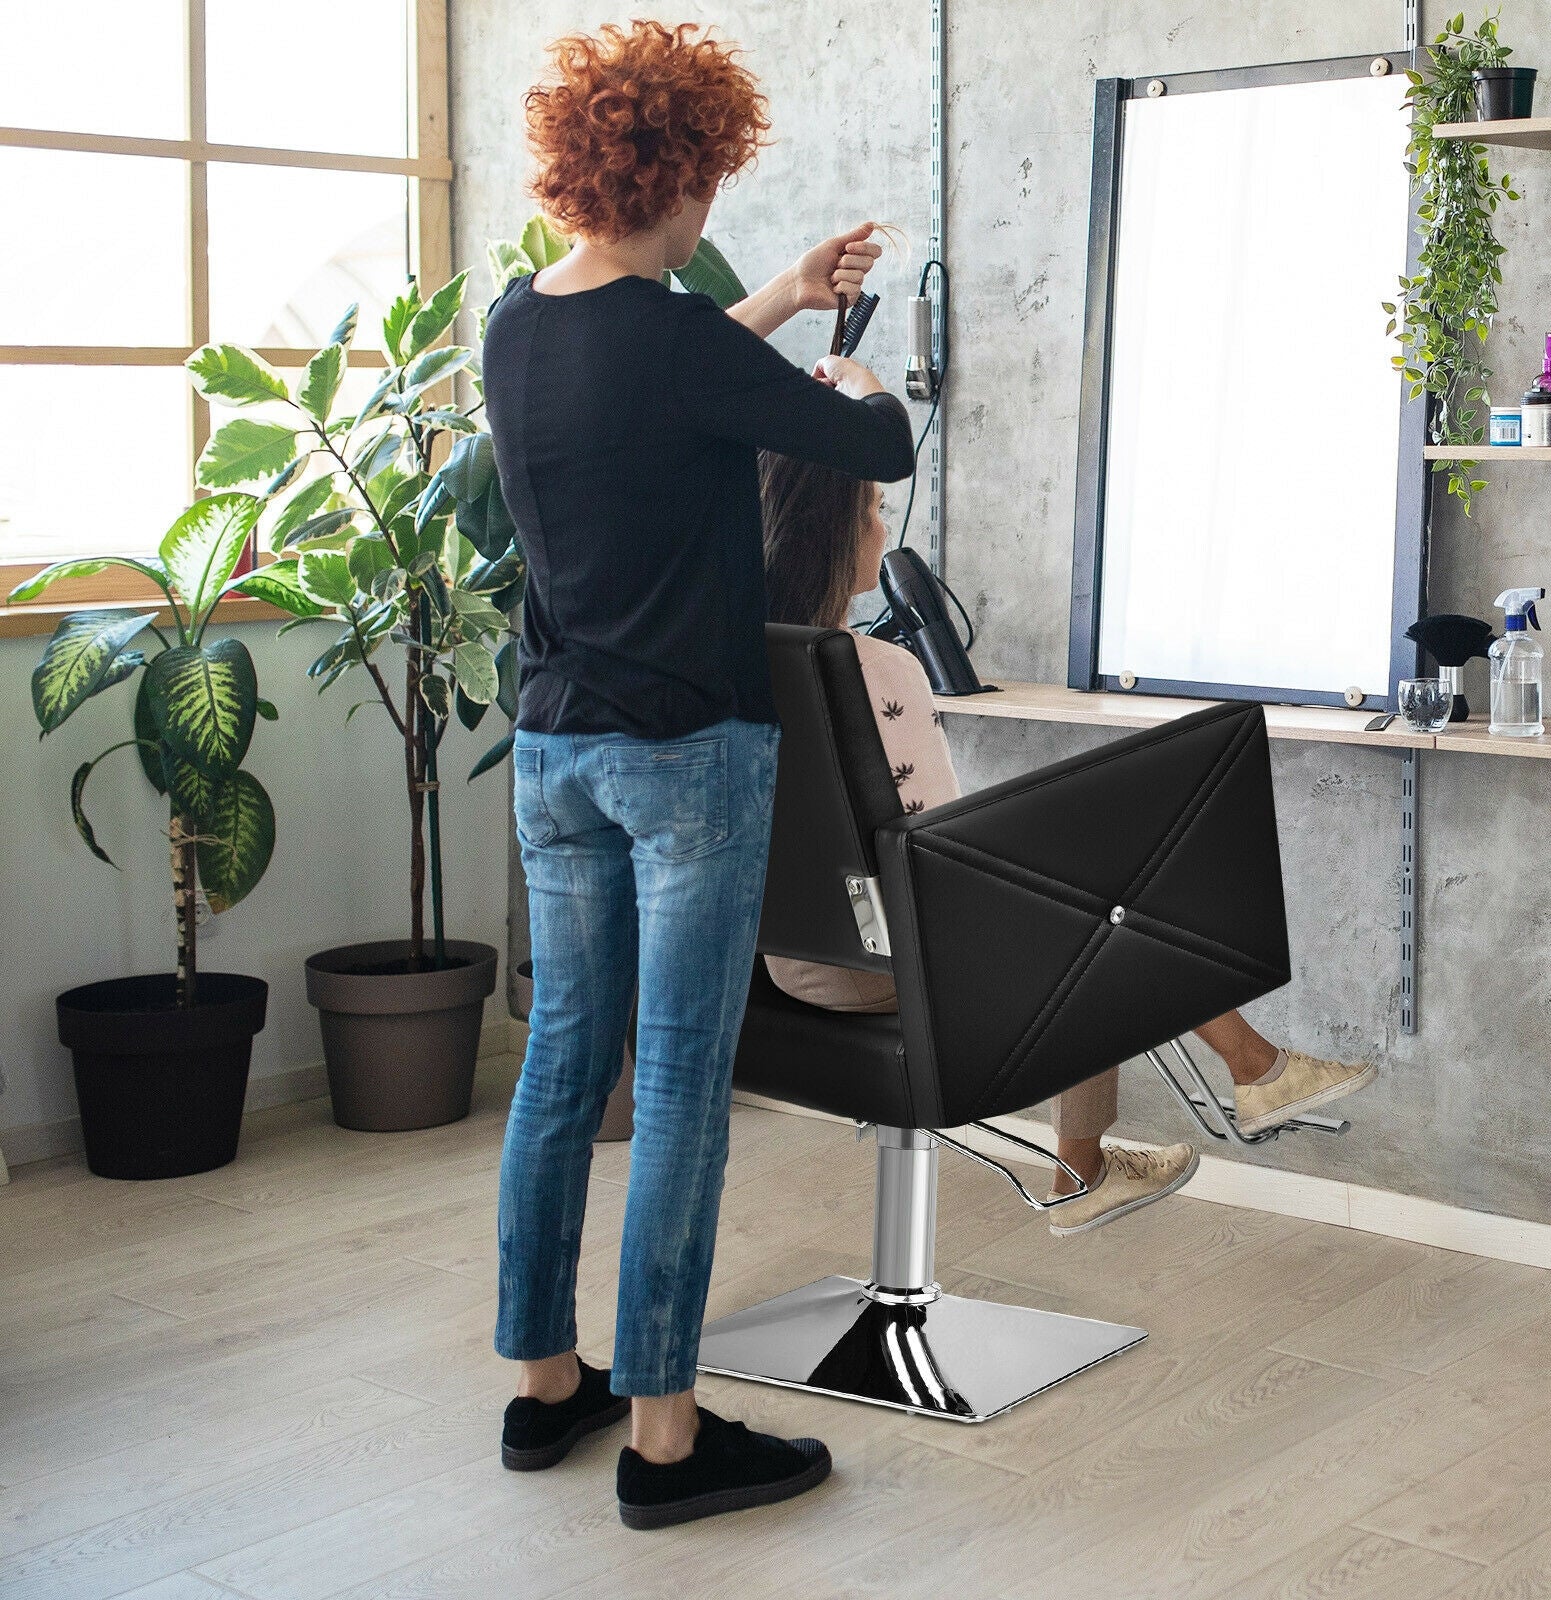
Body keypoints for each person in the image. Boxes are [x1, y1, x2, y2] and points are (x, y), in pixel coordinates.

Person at [481, 21, 916, 1531]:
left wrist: (789, 292)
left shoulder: (521, 324)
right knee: (675, 1088)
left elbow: (654, 378)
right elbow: (882, 447)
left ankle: (548, 1385)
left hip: (554, 753)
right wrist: (853, 372)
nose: (715, 210)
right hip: (688, 759)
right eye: (714, 181)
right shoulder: (669, 336)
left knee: (561, 1071)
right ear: (672, 172)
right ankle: (667, 1436)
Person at [759, 452, 1376, 1234]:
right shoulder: (877, 670)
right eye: (875, 511)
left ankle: (1173, 1118)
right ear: (833, 537)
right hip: (896, 961)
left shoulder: (738, 659)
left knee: (1084, 890)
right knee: (1100, 895)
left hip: (793, 967)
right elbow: (936, 848)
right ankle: (1206, 1098)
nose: (885, 529)